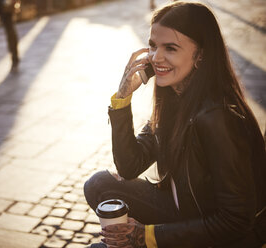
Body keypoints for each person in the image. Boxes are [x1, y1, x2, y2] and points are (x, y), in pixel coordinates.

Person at [84, 1, 266, 247]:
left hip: (227, 237)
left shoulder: (218, 118)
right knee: (98, 185)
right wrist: (123, 98)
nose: (156, 57)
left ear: (201, 54)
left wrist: (148, 236)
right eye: (152, 46)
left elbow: (235, 221)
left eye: (170, 48)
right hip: (187, 210)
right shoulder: (174, 99)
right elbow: (129, 166)